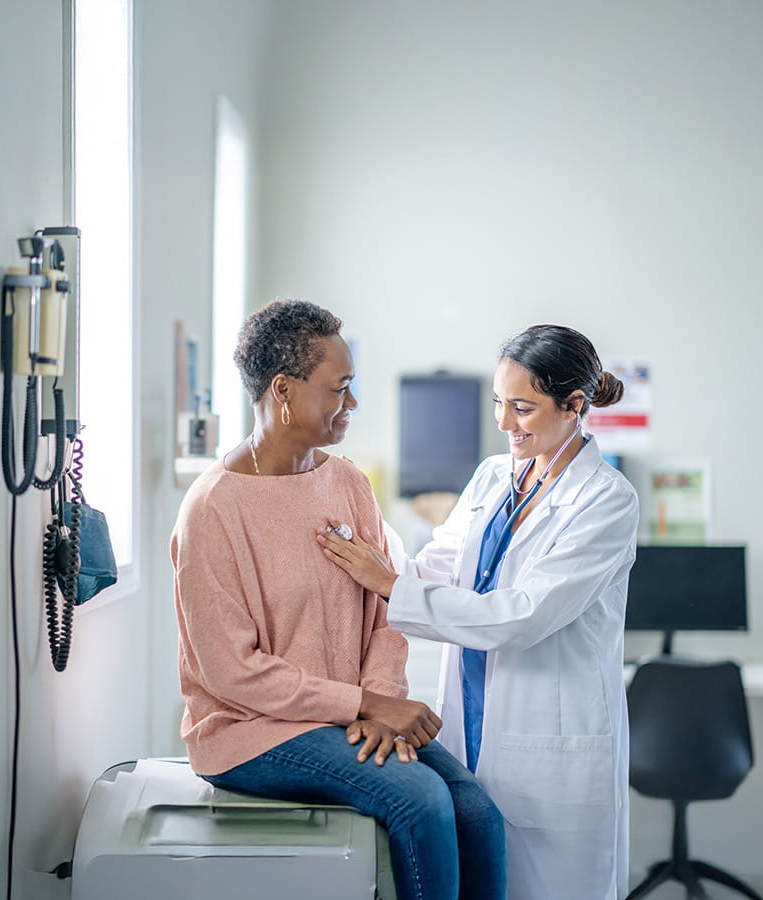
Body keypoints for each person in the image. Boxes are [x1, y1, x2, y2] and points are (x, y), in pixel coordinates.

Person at [171, 299, 506, 900]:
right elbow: (231, 671)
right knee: (421, 800)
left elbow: (386, 610)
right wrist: (363, 705)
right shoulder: (212, 510)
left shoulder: (347, 482)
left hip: (347, 717)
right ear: (283, 391)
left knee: (477, 812)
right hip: (251, 731)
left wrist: (380, 705)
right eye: (339, 389)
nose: (352, 404)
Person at [320, 324, 639, 900]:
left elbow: (519, 617)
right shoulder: (494, 477)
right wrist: (357, 520)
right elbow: (434, 569)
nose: (503, 422)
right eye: (498, 401)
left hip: (551, 744)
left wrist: (389, 583)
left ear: (573, 406)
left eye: (522, 407)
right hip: (471, 727)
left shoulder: (606, 500)